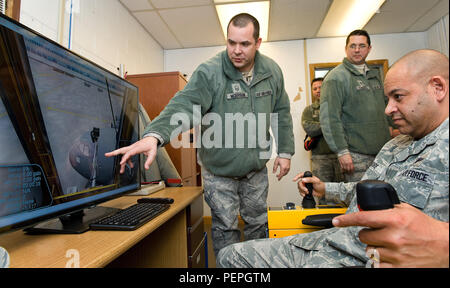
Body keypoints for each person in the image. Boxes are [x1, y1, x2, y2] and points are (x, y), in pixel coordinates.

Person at [216, 49, 448, 268]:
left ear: (437, 88)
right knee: (230, 256)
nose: (388, 109)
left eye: (398, 97)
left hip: (367, 258)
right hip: (338, 243)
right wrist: (324, 188)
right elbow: (364, 194)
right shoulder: (397, 144)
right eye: (387, 99)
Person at [105, 13, 295, 257]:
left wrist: (285, 151)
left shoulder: (271, 71)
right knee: (226, 230)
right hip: (218, 172)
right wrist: (154, 135)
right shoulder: (209, 72)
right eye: (231, 42)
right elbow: (184, 105)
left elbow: (281, 110)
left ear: (258, 43)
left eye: (245, 44)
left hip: (255, 170)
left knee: (258, 225)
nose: (236, 50)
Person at [320, 30, 396, 182]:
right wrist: (342, 152)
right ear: (346, 48)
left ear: (369, 48)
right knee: (361, 203)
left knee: (385, 201)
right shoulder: (336, 78)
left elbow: (387, 108)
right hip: (356, 156)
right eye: (352, 46)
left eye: (362, 46)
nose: (357, 50)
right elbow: (329, 119)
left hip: (384, 153)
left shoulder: (375, 76)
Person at [301, 77, 342, 204]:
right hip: (320, 158)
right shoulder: (309, 110)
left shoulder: (338, 106)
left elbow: (346, 127)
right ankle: (326, 223)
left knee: (342, 192)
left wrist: (320, 125)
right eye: (315, 88)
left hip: (341, 156)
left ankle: (341, 222)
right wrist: (331, 124)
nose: (318, 90)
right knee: (322, 194)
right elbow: (310, 128)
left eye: (321, 87)